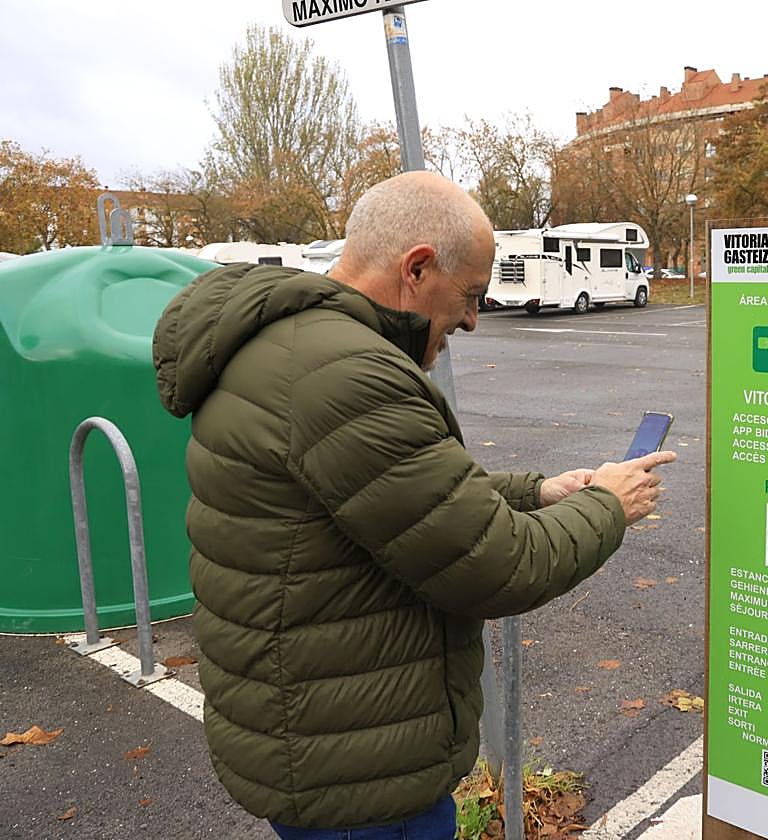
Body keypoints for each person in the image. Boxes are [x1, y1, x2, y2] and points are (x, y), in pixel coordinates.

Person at [152, 171, 675, 839]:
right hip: (360, 775)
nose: (473, 319)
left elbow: (393, 500)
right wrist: (607, 504)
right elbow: (498, 565)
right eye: (470, 295)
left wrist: (540, 492)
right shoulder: (344, 373)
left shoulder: (291, 345)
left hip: (319, 735)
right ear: (418, 268)